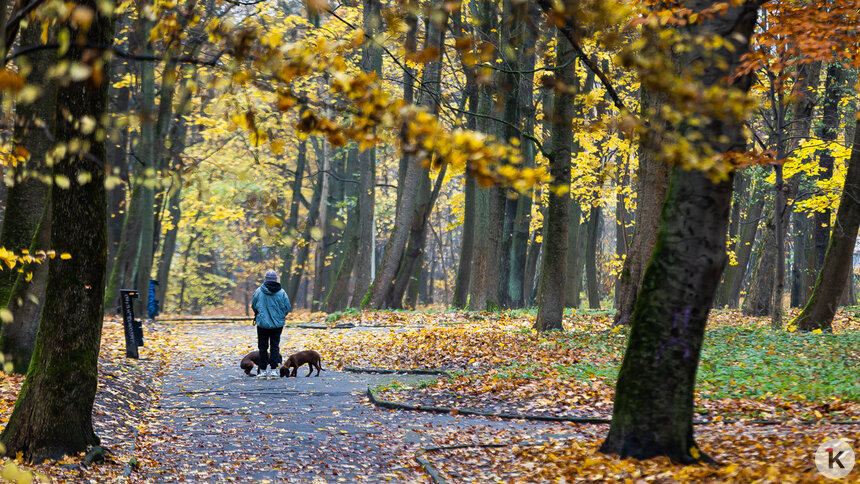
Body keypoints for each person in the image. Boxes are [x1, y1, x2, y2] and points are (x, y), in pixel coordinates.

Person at [251, 270, 291, 378]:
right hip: (277, 325)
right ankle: (274, 370)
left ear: (266, 279)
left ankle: (263, 371)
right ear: (276, 279)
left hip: (262, 324)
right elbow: (287, 307)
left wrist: (259, 315)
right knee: (275, 347)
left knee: (263, 347)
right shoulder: (282, 292)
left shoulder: (259, 291)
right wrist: (280, 316)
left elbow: (253, 305)